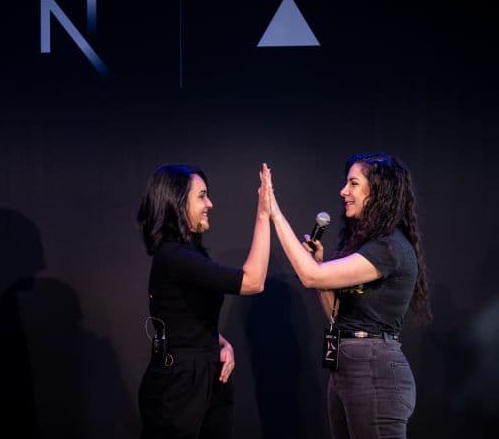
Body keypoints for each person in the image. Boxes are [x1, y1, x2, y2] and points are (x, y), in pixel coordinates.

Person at [266, 153, 430, 439]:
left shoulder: (390, 248)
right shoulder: (371, 245)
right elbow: (334, 315)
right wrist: (318, 266)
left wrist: (274, 214)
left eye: (353, 183)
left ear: (379, 191)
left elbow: (309, 276)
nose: (344, 191)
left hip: (375, 370)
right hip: (348, 368)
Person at [136, 163, 272, 438]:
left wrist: (218, 343)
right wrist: (263, 213)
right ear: (176, 202)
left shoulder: (189, 254)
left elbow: (184, 318)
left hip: (205, 375)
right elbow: (253, 281)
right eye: (201, 196)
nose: (210, 203)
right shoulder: (175, 256)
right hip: (181, 386)